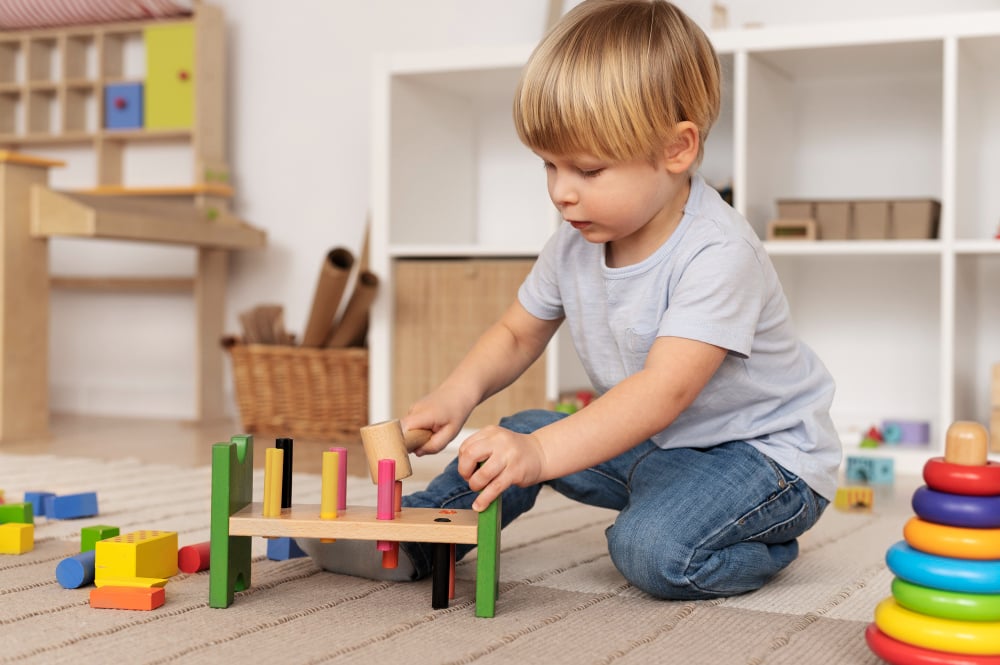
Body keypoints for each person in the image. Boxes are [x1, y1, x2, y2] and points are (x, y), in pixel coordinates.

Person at [303, 0, 841, 600]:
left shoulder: (718, 252)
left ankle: (763, 543)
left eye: (587, 169)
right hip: (659, 446)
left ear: (677, 149)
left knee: (650, 550)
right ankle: (421, 536)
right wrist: (458, 393)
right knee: (510, 436)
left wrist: (540, 455)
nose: (561, 192)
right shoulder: (575, 240)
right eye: (548, 165)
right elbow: (516, 332)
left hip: (760, 460)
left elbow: (663, 393)